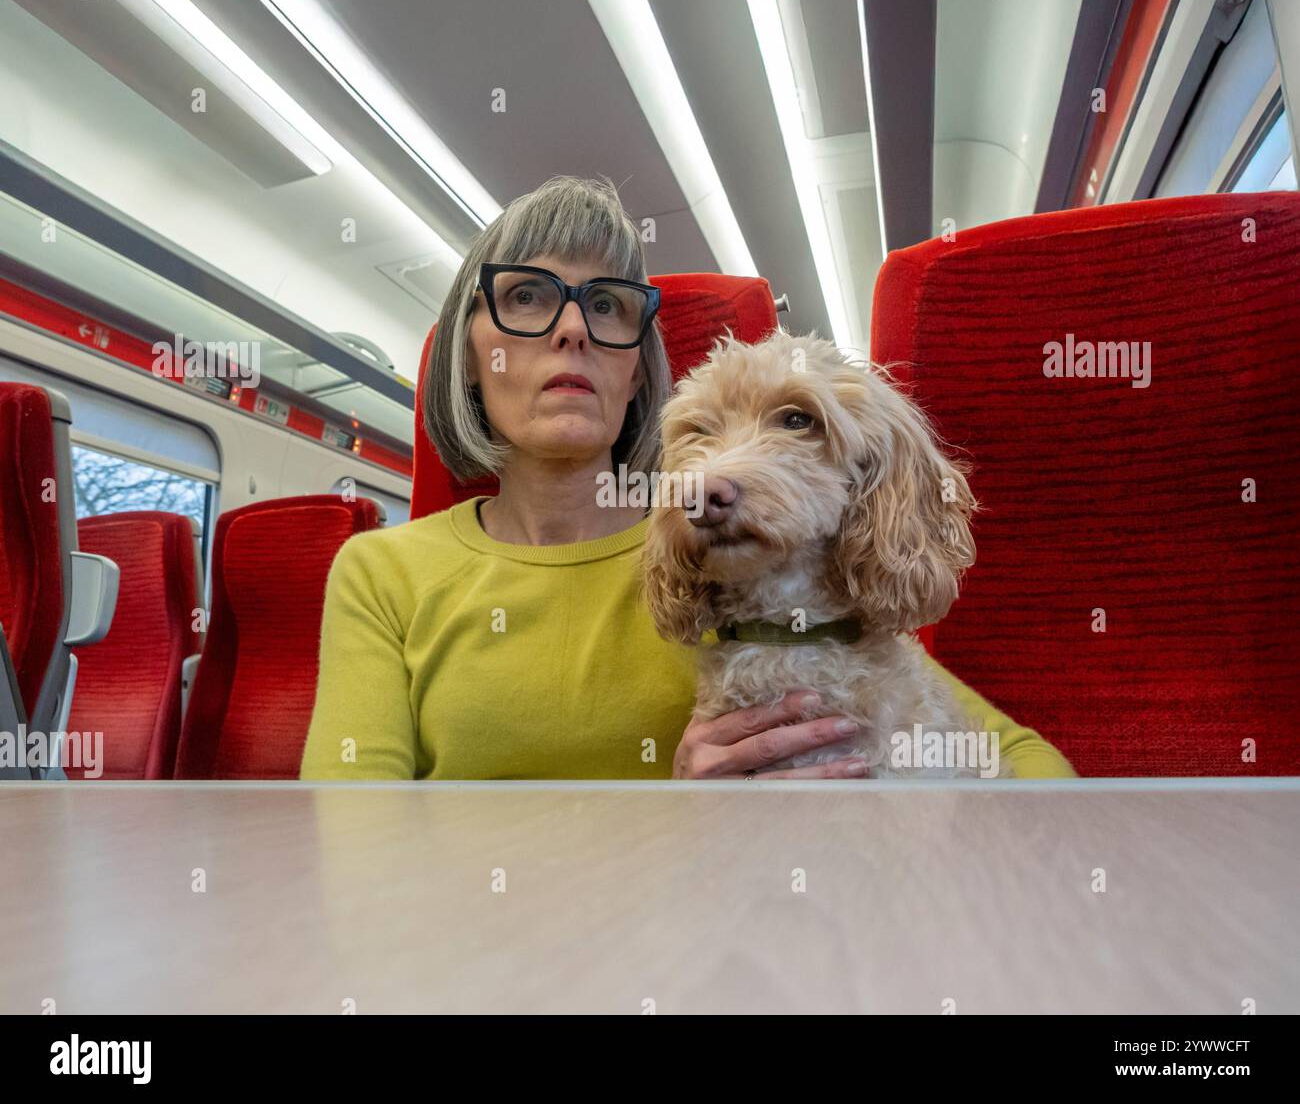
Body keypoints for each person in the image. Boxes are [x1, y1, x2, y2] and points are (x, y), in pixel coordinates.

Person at [300, 175, 1074, 780]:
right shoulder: (379, 573)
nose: (571, 327)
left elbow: (1023, 761)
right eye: (527, 295)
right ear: (468, 358)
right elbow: (352, 844)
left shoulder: (766, 572)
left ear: (639, 370)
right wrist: (678, 819)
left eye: (605, 305)